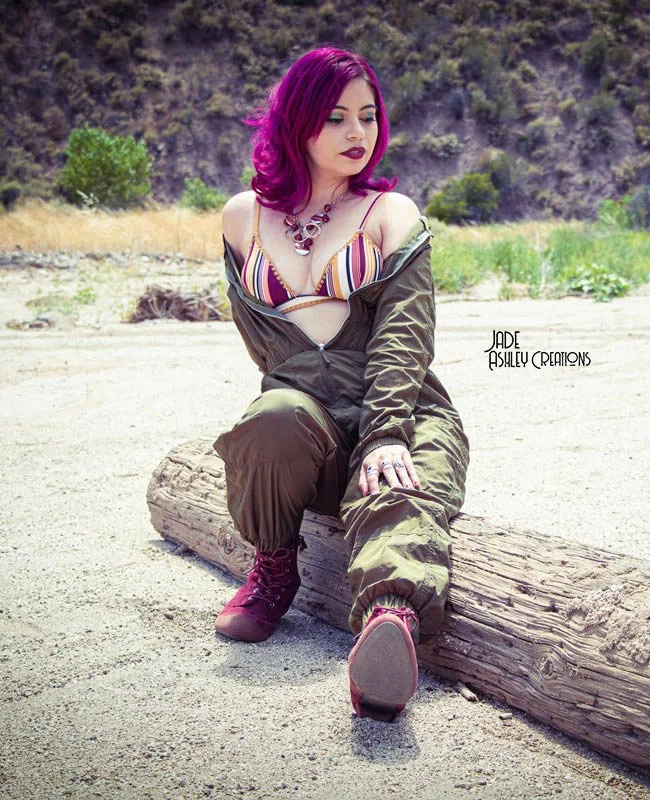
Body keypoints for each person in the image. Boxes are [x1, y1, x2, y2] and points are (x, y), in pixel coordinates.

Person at [212, 46, 470, 723]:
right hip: (312, 428)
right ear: (296, 122)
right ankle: (273, 569)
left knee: (397, 481)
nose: (359, 135)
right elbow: (264, 346)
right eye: (335, 118)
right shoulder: (243, 217)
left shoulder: (392, 214)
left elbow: (405, 333)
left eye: (368, 116)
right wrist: (305, 410)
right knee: (272, 416)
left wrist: (384, 431)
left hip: (402, 410)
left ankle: (390, 628)